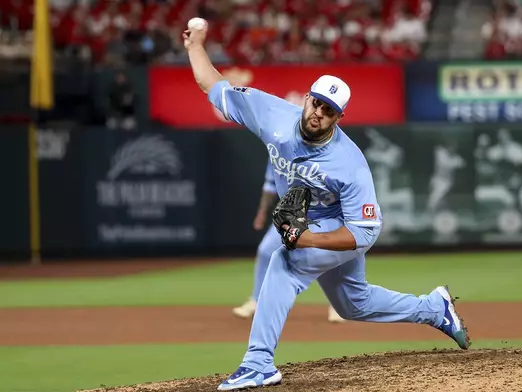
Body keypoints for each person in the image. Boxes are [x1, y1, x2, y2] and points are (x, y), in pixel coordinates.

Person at [182, 22, 470, 391]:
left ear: (338, 118)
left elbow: (365, 231)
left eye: (329, 110)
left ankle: (258, 364)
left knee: (283, 262)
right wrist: (196, 47)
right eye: (316, 102)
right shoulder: (272, 115)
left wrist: (308, 241)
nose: (319, 112)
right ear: (307, 99)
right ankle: (433, 308)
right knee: (354, 303)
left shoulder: (349, 164)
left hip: (341, 227)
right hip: (311, 222)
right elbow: (214, 86)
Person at [233, 159, 345, 323]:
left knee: (327, 256)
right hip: (293, 214)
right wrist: (262, 212)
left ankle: (337, 304)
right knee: (265, 251)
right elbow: (270, 185)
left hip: (325, 213)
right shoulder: (278, 153)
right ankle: (257, 300)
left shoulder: (328, 153)